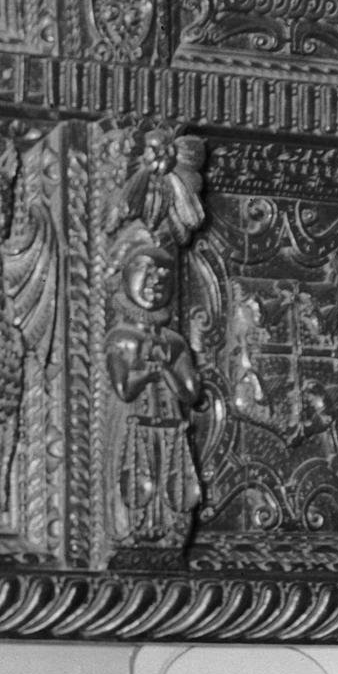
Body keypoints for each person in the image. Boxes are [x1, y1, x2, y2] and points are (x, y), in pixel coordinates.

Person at [105, 231, 203, 554]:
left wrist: (169, 372)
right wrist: (152, 371)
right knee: (134, 473)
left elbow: (191, 391)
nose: (156, 281)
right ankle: (132, 527)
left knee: (169, 475)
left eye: (164, 274)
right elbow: (122, 388)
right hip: (133, 423)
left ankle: (168, 530)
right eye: (146, 271)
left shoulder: (174, 342)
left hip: (170, 424)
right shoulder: (122, 337)